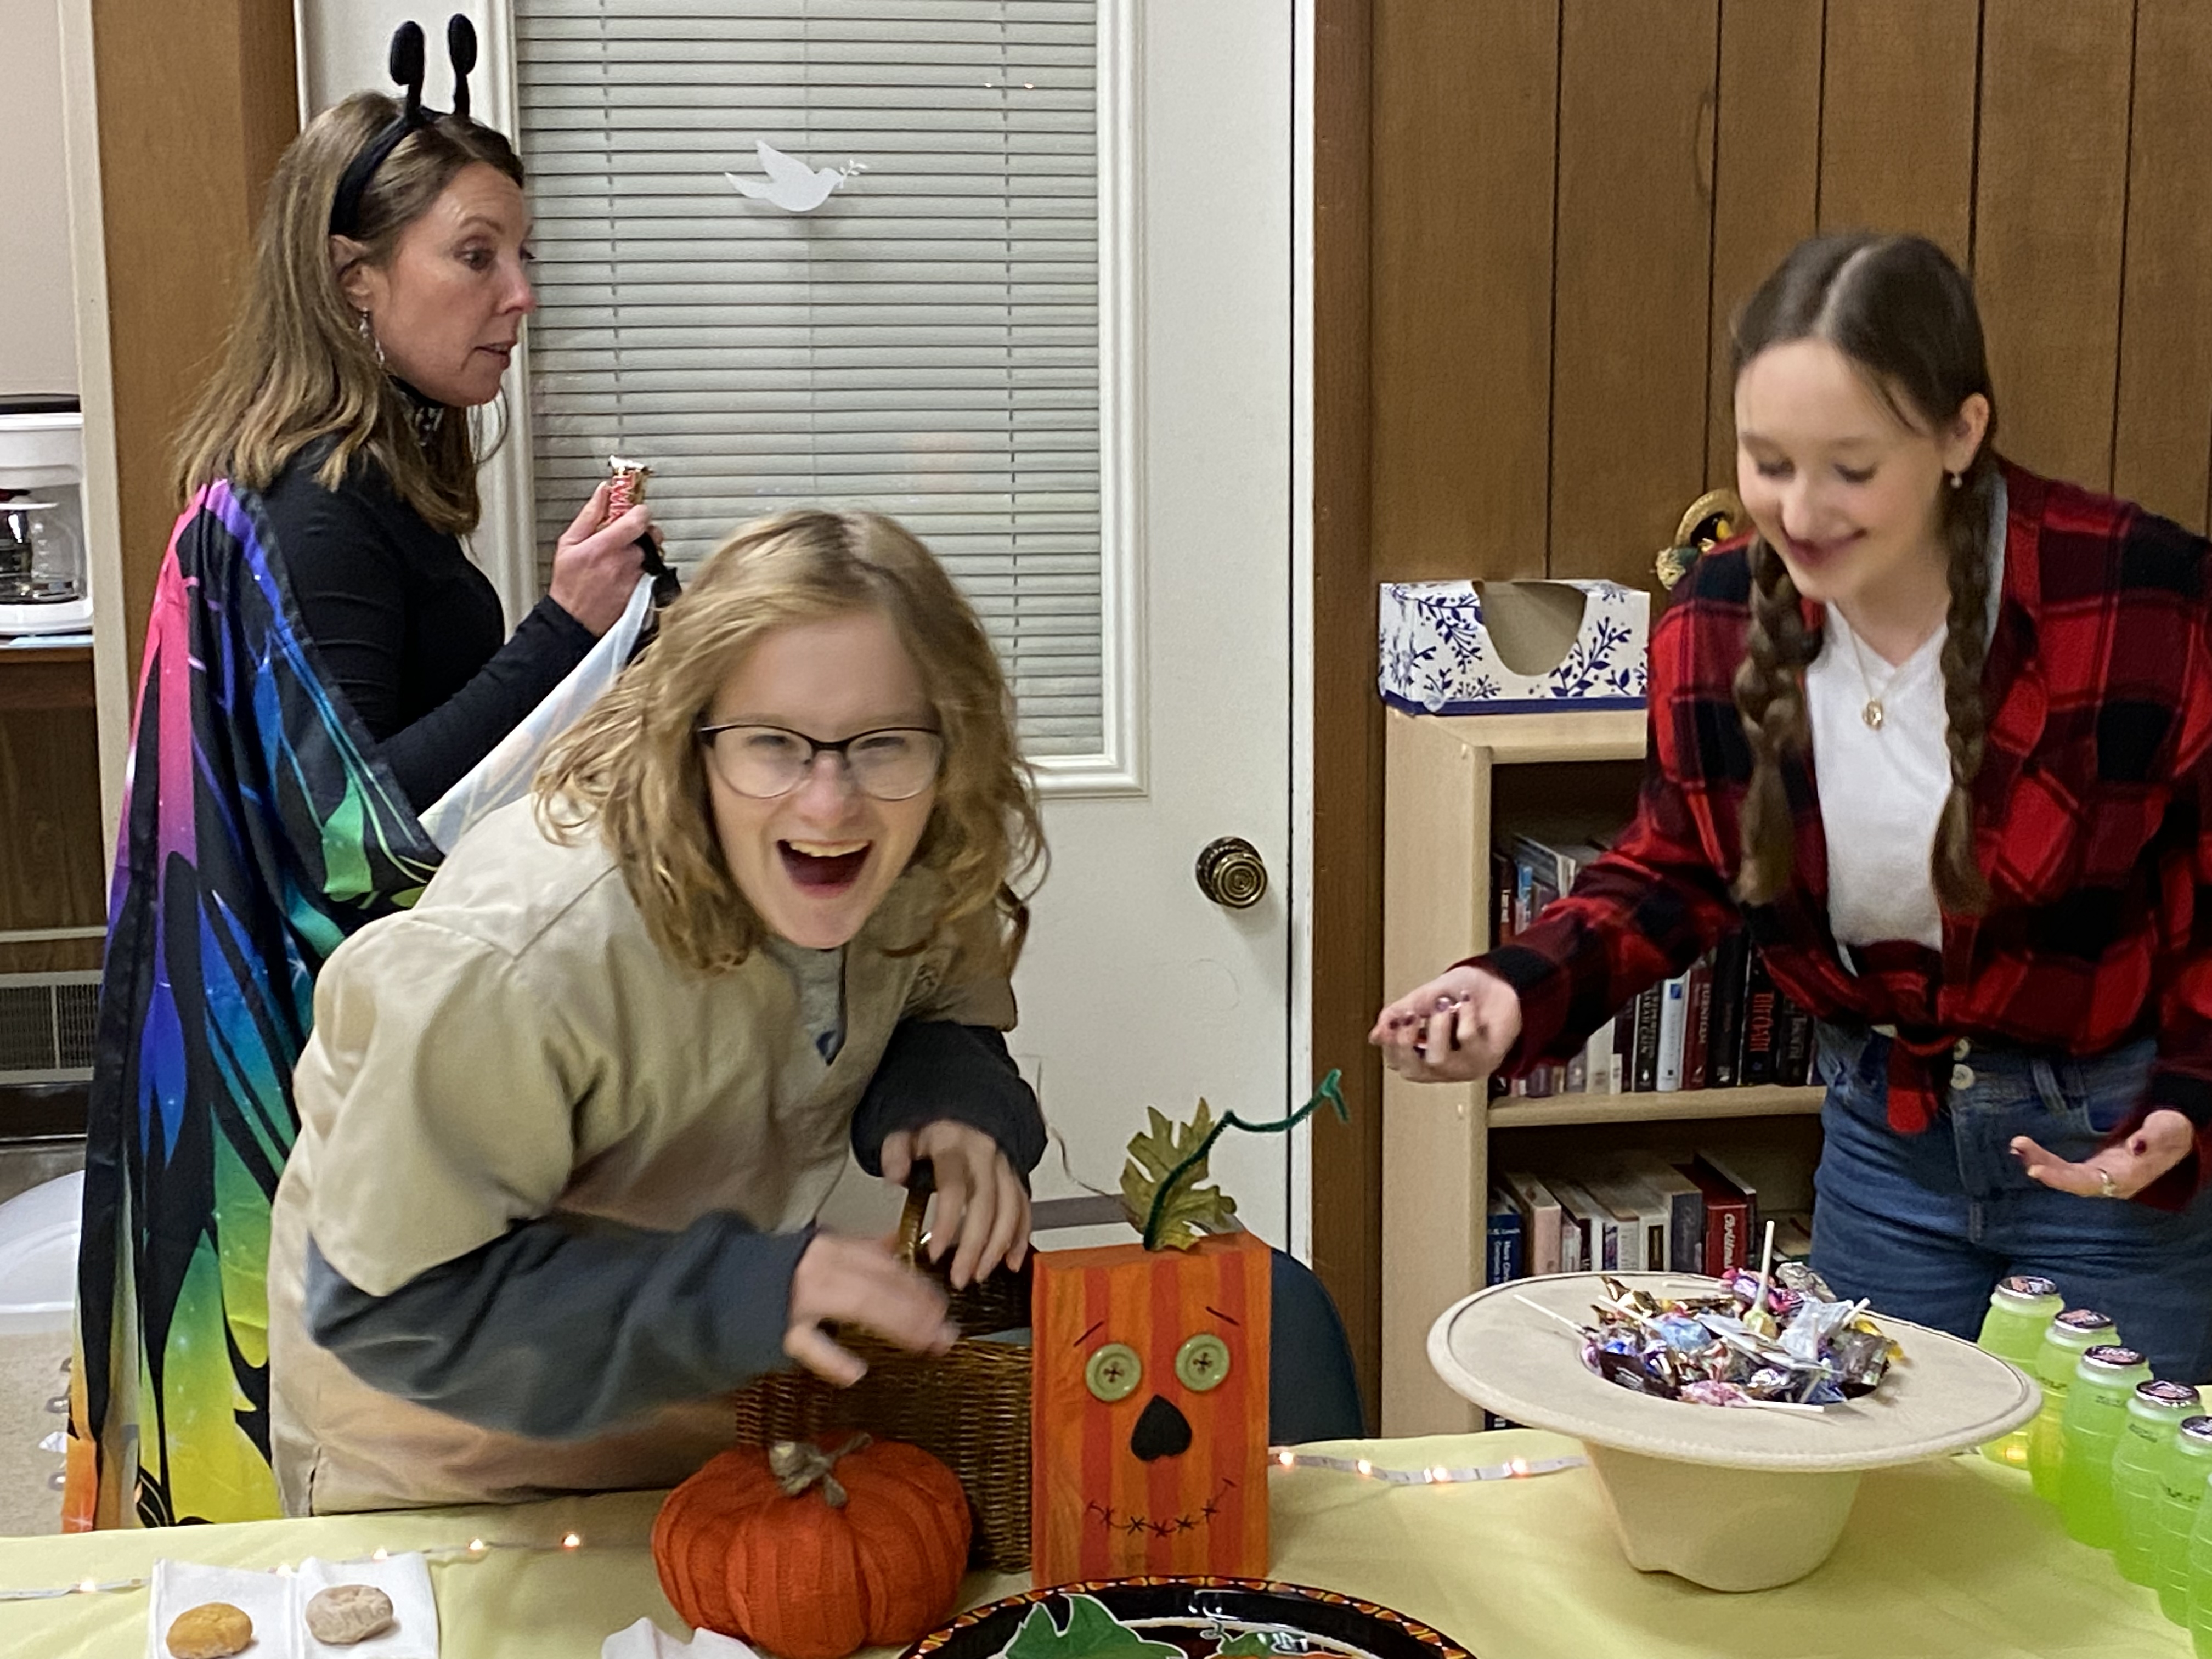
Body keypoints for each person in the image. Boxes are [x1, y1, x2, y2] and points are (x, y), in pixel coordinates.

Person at [1372, 231, 2212, 1383]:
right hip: (1886, 1140)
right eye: (1767, 462)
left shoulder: (2142, 595)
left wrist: (2191, 1103)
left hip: (2110, 1151)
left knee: (2112, 1534)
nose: (1801, 512)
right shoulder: (1715, 618)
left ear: (1964, 432)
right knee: (1879, 1511)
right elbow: (1676, 866)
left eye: (1851, 469)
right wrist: (1514, 988)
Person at [70, 40, 648, 1527]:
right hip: (316, 1086)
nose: (520, 295)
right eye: (475, 255)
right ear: (354, 283)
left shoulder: (336, 487)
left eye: (524, 254)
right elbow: (354, 831)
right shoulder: (328, 508)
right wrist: (563, 636)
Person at [263, 507, 1051, 1513]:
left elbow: (936, 993)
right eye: (773, 743)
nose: (831, 804)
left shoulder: (924, 834)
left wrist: (953, 1096)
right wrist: (745, 1292)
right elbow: (394, 1309)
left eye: (886, 743)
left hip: (706, 1395)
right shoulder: (522, 956)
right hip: (450, 1442)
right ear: (689, 741)